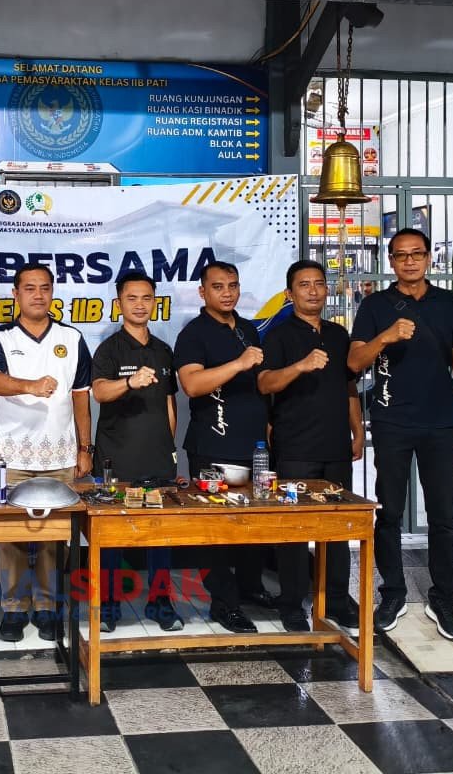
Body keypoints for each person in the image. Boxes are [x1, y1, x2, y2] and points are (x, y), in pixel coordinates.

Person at [348, 228, 453, 640]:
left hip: (441, 422)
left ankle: (443, 598)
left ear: (428, 257)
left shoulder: (450, 304)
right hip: (392, 421)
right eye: (401, 255)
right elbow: (354, 362)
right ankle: (393, 593)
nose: (409, 261)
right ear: (390, 261)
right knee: (388, 512)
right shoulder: (375, 305)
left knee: (443, 517)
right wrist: (386, 336)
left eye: (416, 254)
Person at [0, 262, 92, 642]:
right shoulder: (0, 337)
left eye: (45, 287)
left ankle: (47, 608)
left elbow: (81, 397)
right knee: (11, 536)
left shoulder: (72, 338)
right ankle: (13, 610)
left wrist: (85, 448)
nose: (38, 295)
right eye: (29, 288)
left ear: (53, 292)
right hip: (11, 456)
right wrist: (30, 385)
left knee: (53, 538)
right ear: (16, 294)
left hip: (59, 455)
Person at [258, 260, 363, 633]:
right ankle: (291, 604)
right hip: (295, 449)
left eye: (319, 283)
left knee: (337, 528)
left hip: (335, 447)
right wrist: (299, 366)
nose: (314, 290)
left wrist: (357, 430)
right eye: (304, 285)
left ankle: (336, 600)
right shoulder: (278, 336)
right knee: (294, 528)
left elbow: (348, 387)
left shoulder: (338, 335)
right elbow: (265, 383)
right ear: (290, 293)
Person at [174, 260, 271, 634]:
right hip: (213, 446)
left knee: (251, 523)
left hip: (252, 446)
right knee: (217, 528)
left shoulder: (248, 329)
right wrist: (239, 363)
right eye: (218, 286)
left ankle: (250, 588)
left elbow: (258, 386)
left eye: (232, 285)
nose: (227, 293)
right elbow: (192, 385)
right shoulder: (193, 334)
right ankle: (224, 604)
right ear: (203, 292)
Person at [91, 271, 182, 633]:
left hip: (158, 459)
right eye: (132, 298)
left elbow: (170, 403)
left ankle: (160, 604)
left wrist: (169, 447)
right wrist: (130, 381)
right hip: (117, 460)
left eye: (147, 298)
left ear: (154, 303)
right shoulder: (109, 349)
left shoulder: (163, 350)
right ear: (119, 304)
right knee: (112, 538)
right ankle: (109, 607)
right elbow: (99, 392)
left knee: (160, 537)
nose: (140, 305)